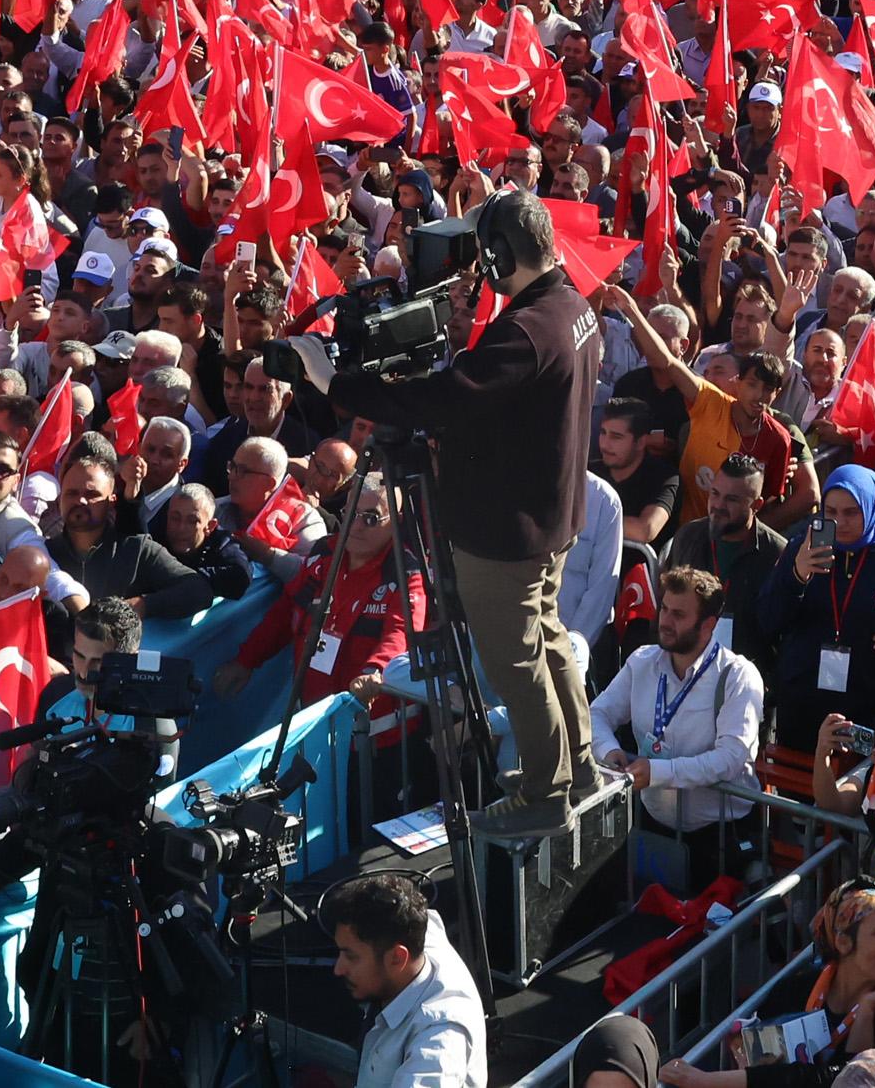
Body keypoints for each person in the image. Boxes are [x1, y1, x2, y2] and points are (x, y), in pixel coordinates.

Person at [320, 191, 603, 832]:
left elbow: (443, 400)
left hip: (507, 531)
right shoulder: (570, 307)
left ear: (501, 255)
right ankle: (574, 762)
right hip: (548, 518)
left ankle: (544, 796)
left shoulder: (528, 330)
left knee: (516, 662)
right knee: (548, 639)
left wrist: (337, 385)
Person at [587, 564, 766, 875]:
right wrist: (608, 751)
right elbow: (596, 714)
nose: (665, 622)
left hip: (720, 838)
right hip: (654, 829)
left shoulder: (738, 676)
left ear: (708, 624)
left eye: (679, 615)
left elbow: (731, 759)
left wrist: (658, 771)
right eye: (665, 609)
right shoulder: (643, 661)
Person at [331, 872, 485, 1088]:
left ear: (397, 957)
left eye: (351, 956)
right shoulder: (417, 934)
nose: (338, 969)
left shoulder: (439, 1041)